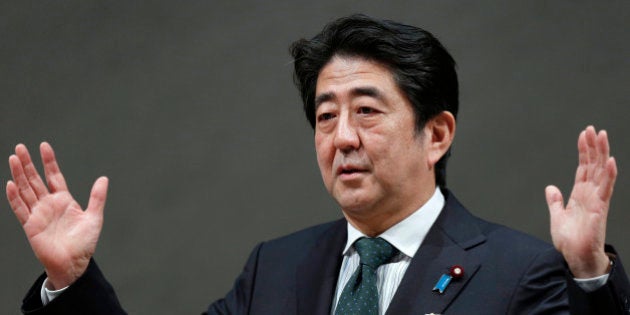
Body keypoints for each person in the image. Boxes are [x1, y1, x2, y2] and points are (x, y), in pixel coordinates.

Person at [6, 14, 629, 315]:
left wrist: (589, 274)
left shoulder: (521, 272)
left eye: (367, 110)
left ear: (436, 134)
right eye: (326, 116)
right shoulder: (275, 269)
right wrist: (72, 281)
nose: (342, 138)